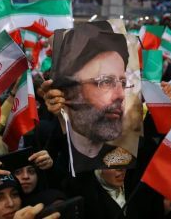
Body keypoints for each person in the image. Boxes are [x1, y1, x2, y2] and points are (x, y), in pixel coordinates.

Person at [49, 22, 136, 172]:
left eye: (123, 83)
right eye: (105, 82)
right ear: (70, 89)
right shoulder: (51, 151)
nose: (121, 95)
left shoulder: (128, 156)